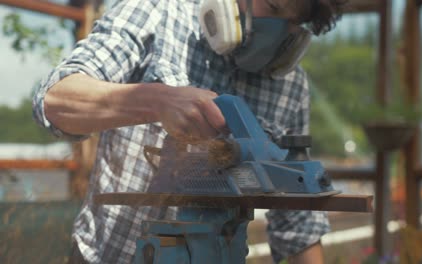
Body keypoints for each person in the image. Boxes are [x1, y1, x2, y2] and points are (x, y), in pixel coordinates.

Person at [33, 0, 344, 263]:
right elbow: (55, 101)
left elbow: (298, 223)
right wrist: (156, 99)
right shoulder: (156, 13)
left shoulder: (290, 86)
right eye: (274, 6)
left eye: (294, 23)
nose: (279, 30)